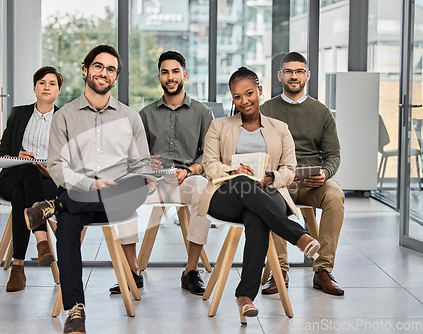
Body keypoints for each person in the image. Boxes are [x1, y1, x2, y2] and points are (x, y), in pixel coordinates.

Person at [24, 45, 153, 334]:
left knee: (134, 187)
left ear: (116, 76)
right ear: (85, 70)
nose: (103, 73)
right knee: (69, 222)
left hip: (119, 197)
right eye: (98, 66)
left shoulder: (130, 118)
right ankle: (75, 310)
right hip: (77, 195)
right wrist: (89, 184)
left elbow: (142, 165)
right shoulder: (65, 116)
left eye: (110, 69)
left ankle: (53, 207)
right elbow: (57, 166)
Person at [198, 67, 320, 321]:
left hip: (267, 192)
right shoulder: (218, 126)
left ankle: (245, 297)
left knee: (256, 216)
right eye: (237, 97)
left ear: (260, 92)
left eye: (249, 93)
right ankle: (299, 236)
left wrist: (270, 178)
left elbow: (289, 168)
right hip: (227, 194)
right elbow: (209, 165)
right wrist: (234, 170)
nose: (244, 101)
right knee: (244, 182)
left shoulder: (280, 128)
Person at [108, 50, 214, 295]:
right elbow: (133, 156)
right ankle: (133, 271)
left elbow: (209, 156)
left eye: (175, 71)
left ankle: (190, 270)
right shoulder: (145, 114)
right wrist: (145, 170)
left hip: (186, 179)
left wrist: (189, 171)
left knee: (203, 190)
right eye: (165, 72)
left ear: (184, 75)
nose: (170, 77)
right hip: (153, 183)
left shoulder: (202, 113)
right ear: (159, 78)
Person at [260, 52, 345, 296]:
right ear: (280, 76)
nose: (293, 76)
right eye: (288, 71)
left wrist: (325, 173)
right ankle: (280, 272)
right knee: (267, 197)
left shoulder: (321, 112)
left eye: (298, 71)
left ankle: (322, 271)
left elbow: (333, 154)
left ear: (307, 75)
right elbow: (257, 151)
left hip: (312, 183)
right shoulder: (266, 111)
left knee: (335, 196)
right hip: (279, 182)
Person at [0, 66, 63, 292]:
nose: (46, 87)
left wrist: (50, 169)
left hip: (46, 182)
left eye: (52, 84)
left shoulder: (63, 119)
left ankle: (18, 268)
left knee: (20, 197)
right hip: (12, 175)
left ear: (58, 90)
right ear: (34, 87)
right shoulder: (18, 114)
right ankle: (41, 240)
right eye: (42, 82)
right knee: (28, 169)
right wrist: (17, 156)